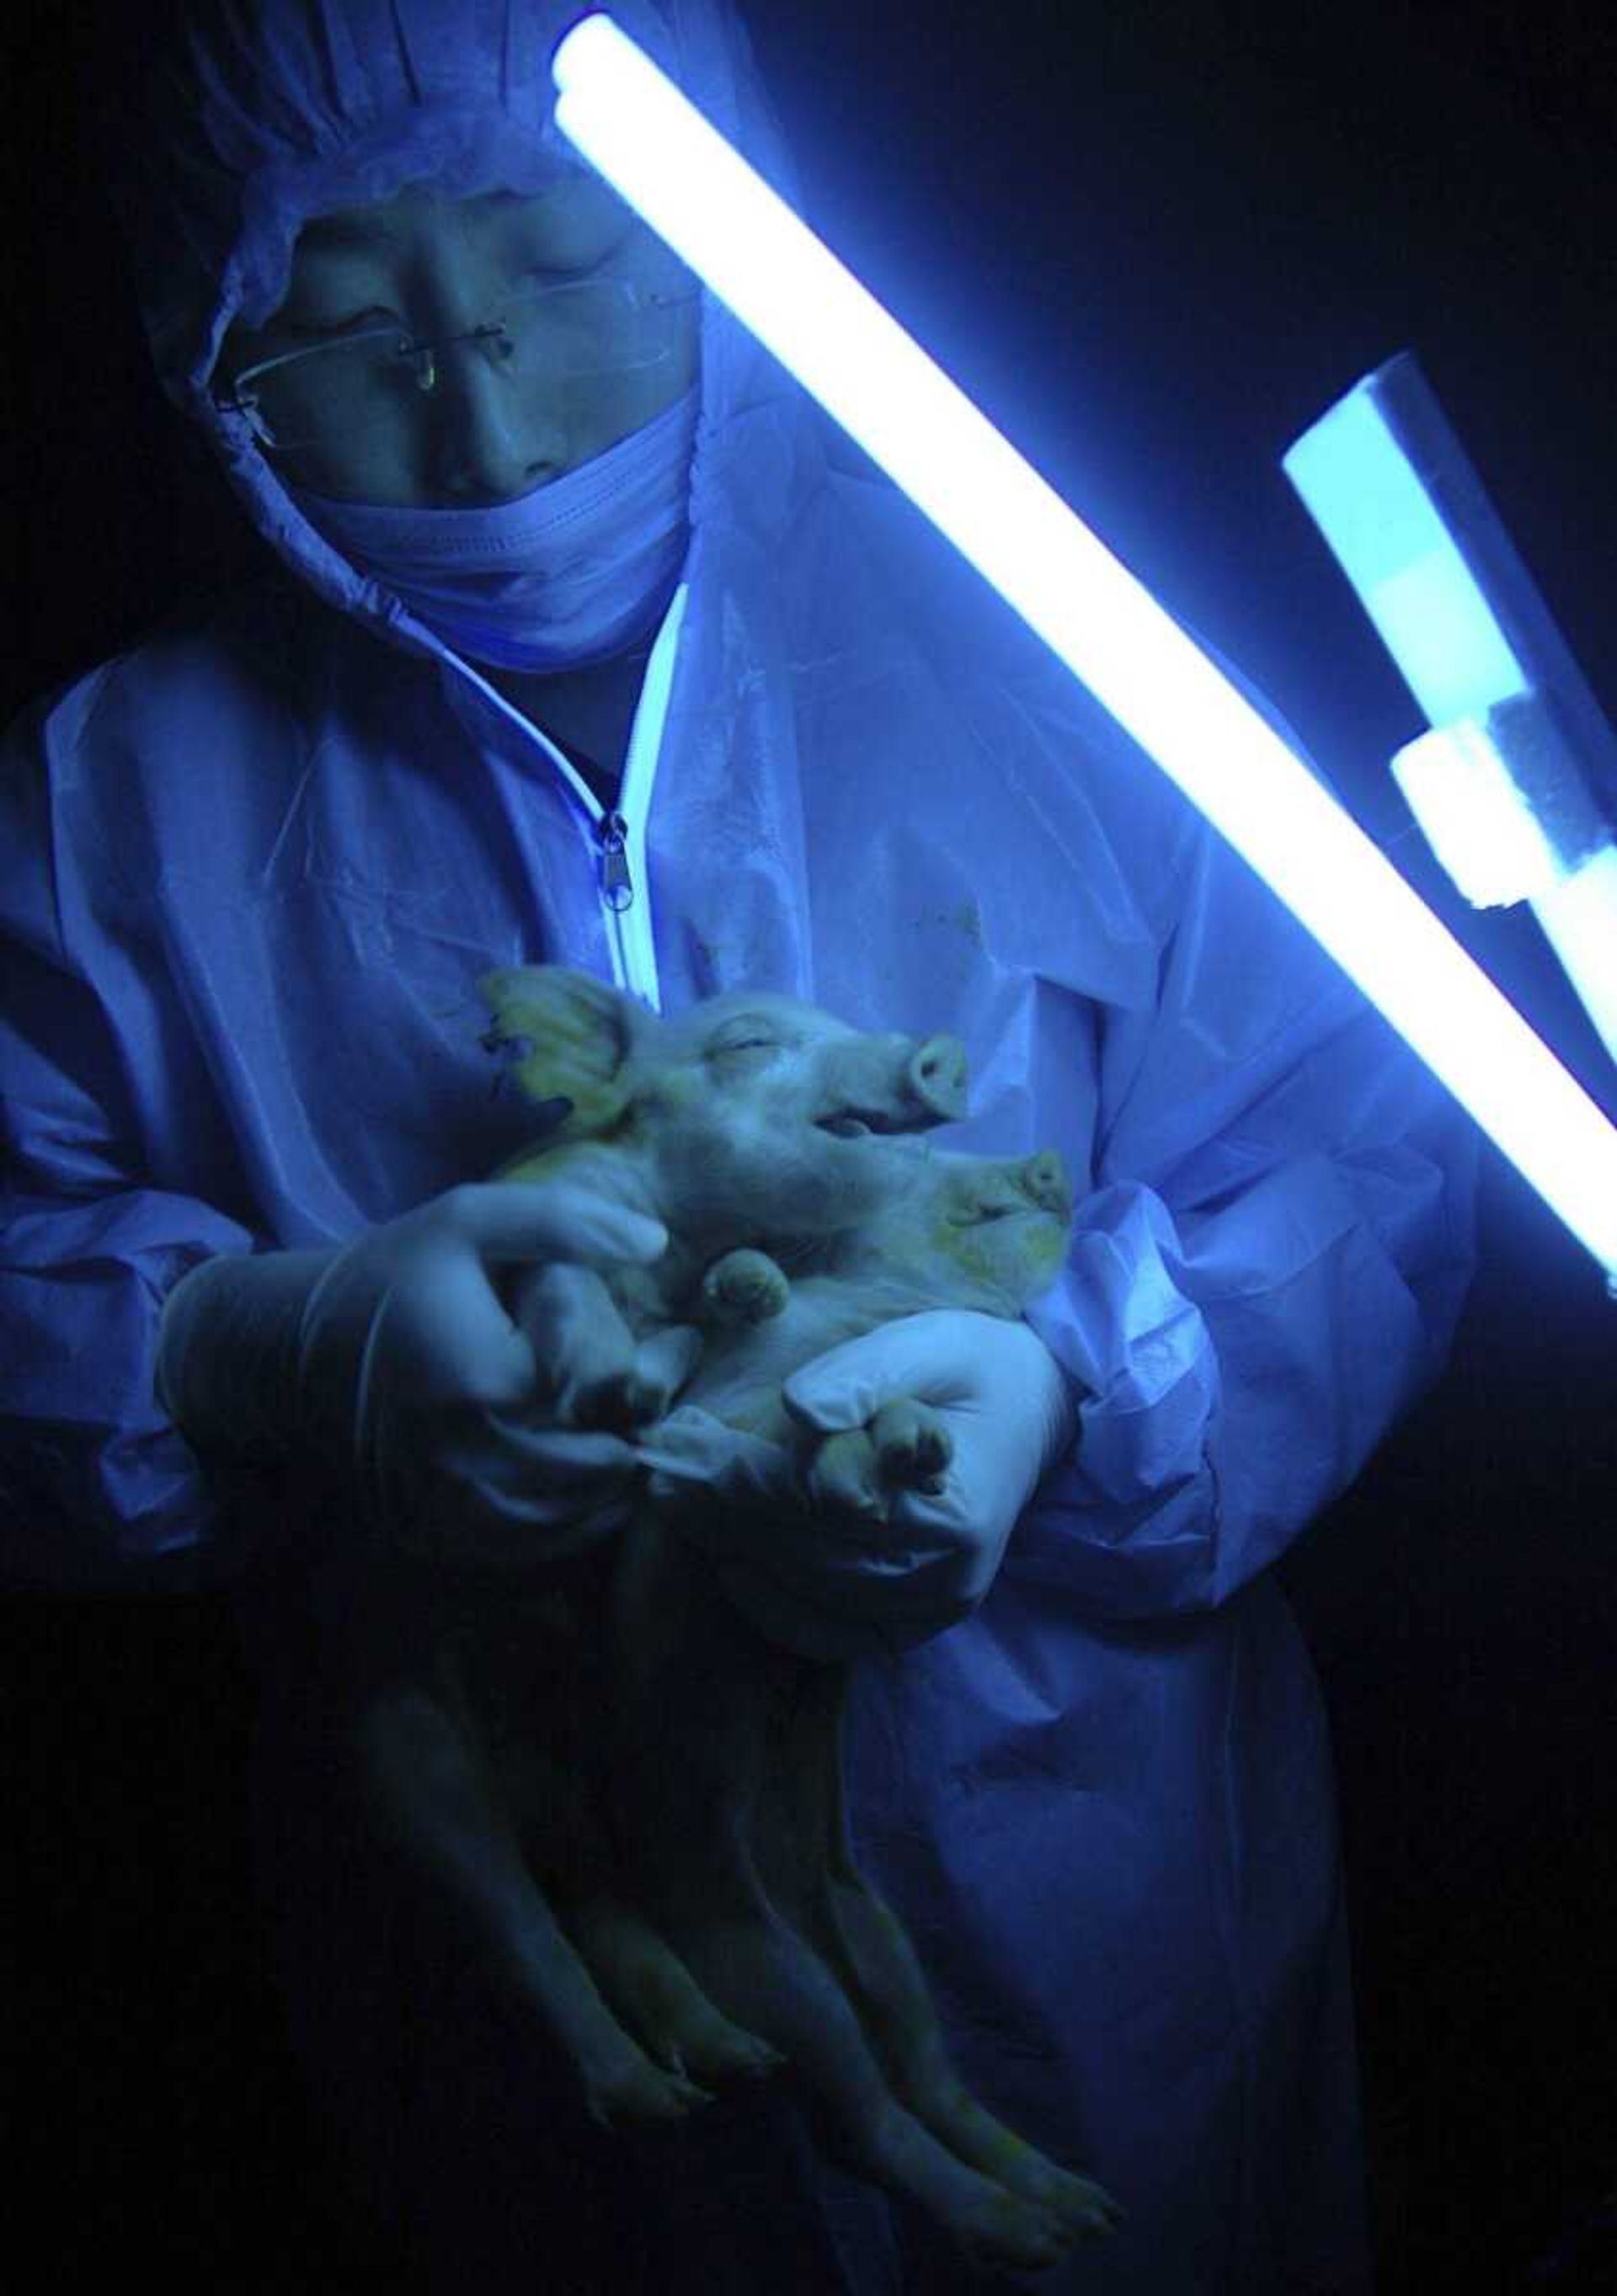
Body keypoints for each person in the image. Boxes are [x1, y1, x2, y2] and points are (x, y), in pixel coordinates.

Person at [0, 1, 1479, 2289]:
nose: (481, 421)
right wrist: (252, 1352)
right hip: (534, 2060)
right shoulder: (113, 807)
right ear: (205, 321)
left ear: (715, 209)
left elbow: (1360, 1163)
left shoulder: (1053, 639)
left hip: (1107, 1940)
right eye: (343, 312)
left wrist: (1073, 1389)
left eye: (562, 263)